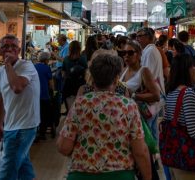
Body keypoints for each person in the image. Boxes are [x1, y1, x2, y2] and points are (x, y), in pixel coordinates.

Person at [57, 52, 152, 180]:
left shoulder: (80, 104)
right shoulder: (128, 106)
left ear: (92, 77)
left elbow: (64, 147)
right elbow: (140, 151)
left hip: (82, 175)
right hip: (120, 175)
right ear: (116, 79)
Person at [0, 34, 40, 180]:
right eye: (5, 47)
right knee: (23, 169)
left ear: (19, 50)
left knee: (7, 170)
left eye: (13, 46)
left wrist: (8, 65)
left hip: (24, 126)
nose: (9, 49)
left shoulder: (27, 66)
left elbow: (17, 87)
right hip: (10, 125)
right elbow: (3, 96)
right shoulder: (0, 72)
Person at [162, 53, 195, 180]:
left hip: (174, 158)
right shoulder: (187, 93)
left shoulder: (172, 92)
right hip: (188, 160)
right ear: (186, 69)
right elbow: (194, 132)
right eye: (194, 66)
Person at [137, 27, 164, 139]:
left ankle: (151, 155)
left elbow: (147, 75)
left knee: (148, 133)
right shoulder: (151, 50)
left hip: (151, 99)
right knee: (153, 131)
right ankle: (155, 155)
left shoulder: (150, 51)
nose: (138, 39)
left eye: (140, 36)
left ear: (148, 37)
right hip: (155, 97)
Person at [62, 40, 87, 111]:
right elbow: (86, 73)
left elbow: (63, 74)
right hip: (80, 86)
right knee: (79, 109)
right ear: (79, 48)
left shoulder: (66, 59)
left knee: (70, 110)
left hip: (68, 86)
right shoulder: (83, 58)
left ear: (70, 49)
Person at [34, 51, 55, 139]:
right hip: (44, 94)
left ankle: (35, 132)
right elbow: (51, 83)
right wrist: (53, 91)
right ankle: (42, 133)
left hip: (34, 95)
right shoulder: (46, 68)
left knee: (35, 114)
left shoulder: (34, 66)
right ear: (46, 60)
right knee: (44, 114)